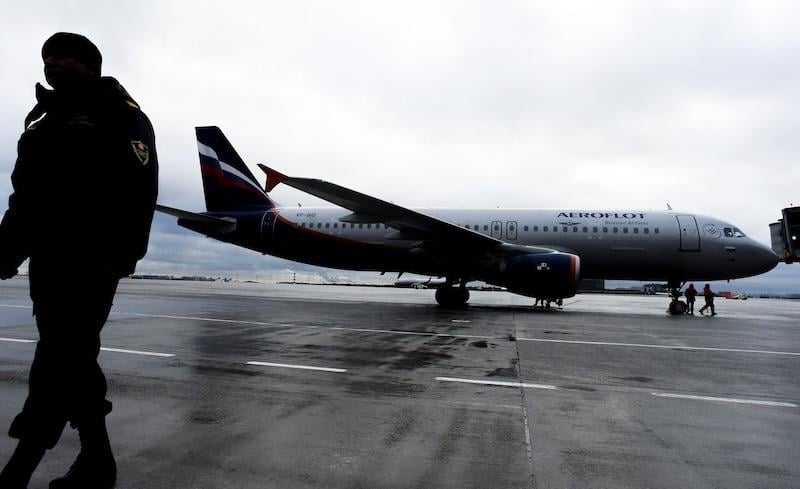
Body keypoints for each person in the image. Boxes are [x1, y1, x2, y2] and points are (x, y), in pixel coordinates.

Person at [0, 33, 158, 489]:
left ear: (89, 65)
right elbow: (25, 199)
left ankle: (20, 467)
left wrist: (124, 254)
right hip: (48, 263)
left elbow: (140, 189)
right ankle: (97, 461)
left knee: (58, 357)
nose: (52, 65)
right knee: (74, 358)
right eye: (47, 59)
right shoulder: (42, 126)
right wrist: (7, 251)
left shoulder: (119, 116)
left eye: (63, 58)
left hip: (94, 261)